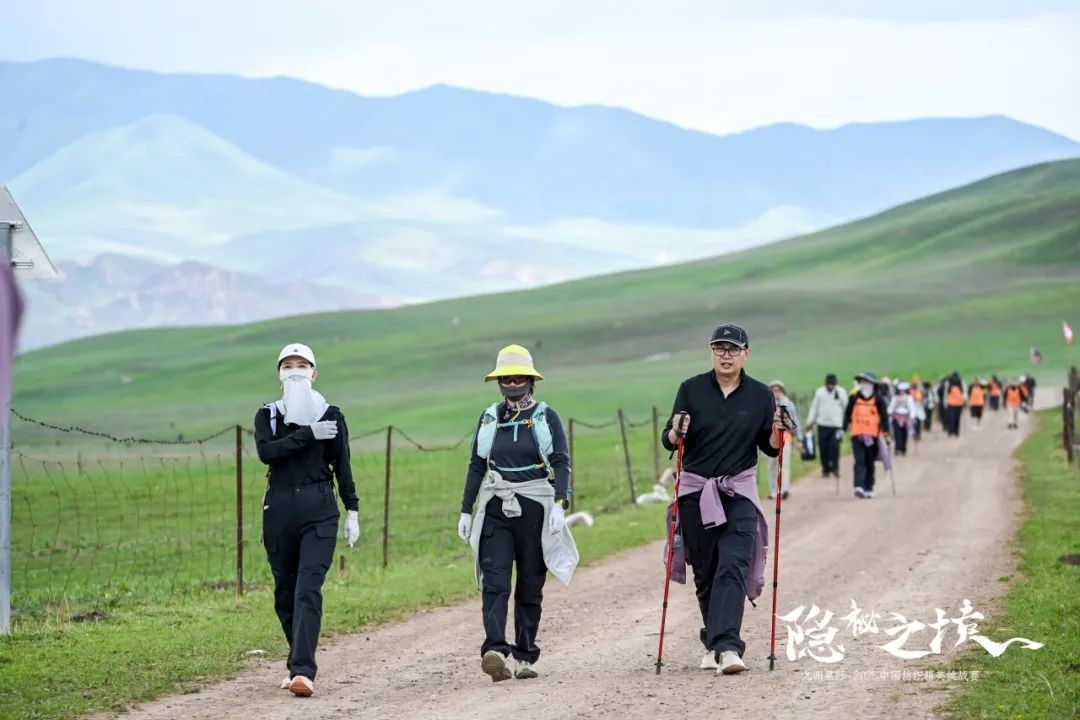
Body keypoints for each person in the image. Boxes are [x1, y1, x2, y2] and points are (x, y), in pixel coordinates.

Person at [660, 323, 781, 676]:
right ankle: (715, 641)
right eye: (719, 348)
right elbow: (670, 441)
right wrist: (675, 429)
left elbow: (769, 446)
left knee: (733, 564)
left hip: (738, 492)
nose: (725, 355)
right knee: (707, 572)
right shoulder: (691, 389)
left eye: (732, 349)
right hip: (696, 492)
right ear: (711, 352)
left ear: (746, 353)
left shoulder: (760, 395)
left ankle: (728, 646)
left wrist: (778, 430)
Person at [458, 344, 579, 682]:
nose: (512, 383)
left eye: (518, 377)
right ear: (498, 381)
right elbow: (476, 465)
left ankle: (526, 655)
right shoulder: (489, 417)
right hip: (496, 505)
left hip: (535, 506)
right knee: (494, 581)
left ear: (530, 379)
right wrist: (466, 511)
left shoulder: (546, 416)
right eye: (505, 378)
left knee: (530, 582)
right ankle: (495, 649)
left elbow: (561, 461)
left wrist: (559, 503)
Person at [254, 343, 360, 697]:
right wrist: (305, 435)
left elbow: (342, 464)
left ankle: (303, 670)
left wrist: (353, 510)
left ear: (314, 373)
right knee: (284, 593)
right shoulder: (269, 414)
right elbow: (266, 453)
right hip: (279, 508)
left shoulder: (331, 414)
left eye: (302, 365)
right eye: (288, 365)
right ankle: (296, 660)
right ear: (279, 374)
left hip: (319, 507)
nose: (295, 370)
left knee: (307, 588)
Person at [843, 372, 890, 499]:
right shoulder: (854, 398)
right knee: (860, 460)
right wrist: (842, 429)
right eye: (862, 382)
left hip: (873, 435)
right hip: (857, 434)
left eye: (867, 382)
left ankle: (869, 487)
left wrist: (886, 432)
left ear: (872, 385)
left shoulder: (878, 400)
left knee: (870, 461)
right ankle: (859, 486)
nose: (864, 385)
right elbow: (847, 415)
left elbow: (884, 417)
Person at [805, 373, 846, 478]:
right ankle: (825, 469)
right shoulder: (820, 392)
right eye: (829, 384)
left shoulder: (841, 392)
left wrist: (847, 423)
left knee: (835, 446)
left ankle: (835, 468)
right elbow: (814, 408)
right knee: (823, 448)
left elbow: (846, 408)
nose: (830, 386)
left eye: (832, 384)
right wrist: (810, 421)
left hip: (836, 425)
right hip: (822, 425)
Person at [767, 380, 800, 499]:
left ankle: (784, 489)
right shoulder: (766, 404)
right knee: (772, 466)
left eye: (778, 390)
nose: (776, 392)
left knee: (783, 465)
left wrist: (797, 437)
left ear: (782, 391)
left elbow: (793, 423)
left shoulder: (788, 405)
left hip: (785, 439)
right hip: (770, 440)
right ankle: (772, 491)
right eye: (773, 390)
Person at [888, 381, 920, 455]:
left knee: (904, 434)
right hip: (896, 417)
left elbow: (912, 408)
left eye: (903, 390)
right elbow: (891, 407)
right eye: (900, 390)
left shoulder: (909, 398)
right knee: (897, 434)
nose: (902, 392)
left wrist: (912, 417)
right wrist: (889, 413)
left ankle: (903, 448)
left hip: (906, 418)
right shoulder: (895, 398)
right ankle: (898, 448)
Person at [944, 372, 966, 437]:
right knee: (951, 418)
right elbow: (946, 394)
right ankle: (951, 432)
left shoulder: (962, 383)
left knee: (957, 418)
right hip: (951, 403)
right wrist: (945, 403)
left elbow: (964, 393)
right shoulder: (948, 384)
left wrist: (965, 400)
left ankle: (956, 432)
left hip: (959, 403)